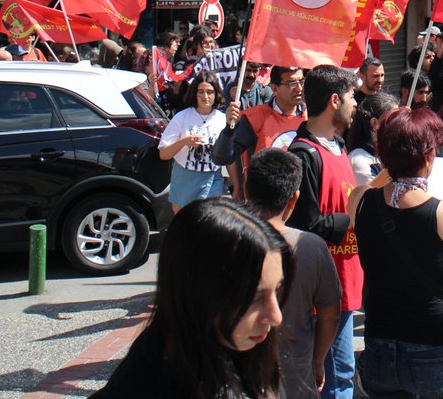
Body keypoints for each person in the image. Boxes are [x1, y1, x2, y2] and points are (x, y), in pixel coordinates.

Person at [349, 108, 443, 397]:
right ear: (430, 156)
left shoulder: (360, 200)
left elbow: (372, 186)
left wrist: (391, 163)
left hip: (378, 342)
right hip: (433, 345)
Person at [94, 198, 292, 398]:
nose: (276, 317)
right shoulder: (142, 387)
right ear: (198, 293)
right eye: (253, 297)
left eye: (277, 289)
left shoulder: (245, 355)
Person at [287, 65, 364, 399]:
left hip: (345, 281)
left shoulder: (339, 145)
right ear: (335, 100)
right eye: (351, 97)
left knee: (341, 375)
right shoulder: (303, 155)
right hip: (323, 292)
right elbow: (306, 226)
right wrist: (355, 217)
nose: (355, 104)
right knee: (337, 377)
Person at [245, 149, 341, 399]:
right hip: (296, 375)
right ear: (294, 199)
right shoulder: (311, 246)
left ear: (247, 191)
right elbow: (330, 315)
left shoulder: (226, 241)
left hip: (237, 375)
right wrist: (318, 361)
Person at [222, 66, 307, 200]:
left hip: (301, 201)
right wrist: (229, 128)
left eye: (301, 82)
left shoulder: (311, 118)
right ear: (274, 88)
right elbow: (222, 157)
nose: (299, 88)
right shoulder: (254, 118)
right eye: (291, 83)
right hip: (264, 204)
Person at [159, 70, 228, 213]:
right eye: (201, 92)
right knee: (183, 220)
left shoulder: (222, 119)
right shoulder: (182, 117)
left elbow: (229, 156)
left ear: (216, 94)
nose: (205, 96)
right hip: (185, 177)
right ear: (194, 94)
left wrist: (238, 186)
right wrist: (184, 142)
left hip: (212, 177)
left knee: (208, 221)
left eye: (209, 92)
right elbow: (163, 154)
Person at [347, 92, 397, 186]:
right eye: (393, 118)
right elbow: (367, 197)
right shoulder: (359, 160)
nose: (399, 123)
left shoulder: (385, 153)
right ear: (374, 122)